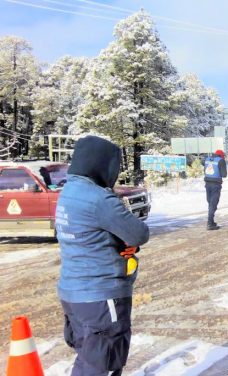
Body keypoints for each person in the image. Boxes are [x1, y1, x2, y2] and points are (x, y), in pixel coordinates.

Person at [56, 136, 150, 376]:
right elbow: (138, 233)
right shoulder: (99, 198)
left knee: (89, 359)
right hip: (100, 294)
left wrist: (117, 242)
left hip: (73, 293)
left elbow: (90, 234)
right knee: (102, 366)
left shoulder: (69, 191)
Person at [204, 149, 228, 230]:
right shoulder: (221, 161)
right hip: (216, 185)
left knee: (210, 203)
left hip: (207, 184)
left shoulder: (207, 159)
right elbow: (224, 175)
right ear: (221, 156)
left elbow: (205, 170)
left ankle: (211, 221)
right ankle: (210, 224)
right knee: (213, 204)